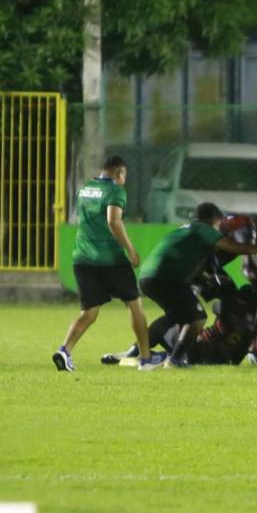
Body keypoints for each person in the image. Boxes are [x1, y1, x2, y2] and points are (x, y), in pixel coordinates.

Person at [53, 155, 162, 372]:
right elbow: (114, 220)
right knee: (134, 305)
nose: (124, 181)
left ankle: (64, 350)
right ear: (118, 173)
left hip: (83, 259)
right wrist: (131, 250)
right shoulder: (115, 191)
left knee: (89, 312)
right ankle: (146, 358)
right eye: (124, 176)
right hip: (110, 259)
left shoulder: (85, 189)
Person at [138, 202, 257, 367]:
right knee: (196, 318)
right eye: (219, 225)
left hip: (148, 275)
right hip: (168, 277)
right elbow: (235, 247)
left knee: (176, 317)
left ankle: (139, 353)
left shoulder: (184, 229)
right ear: (215, 220)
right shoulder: (203, 229)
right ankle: (176, 360)